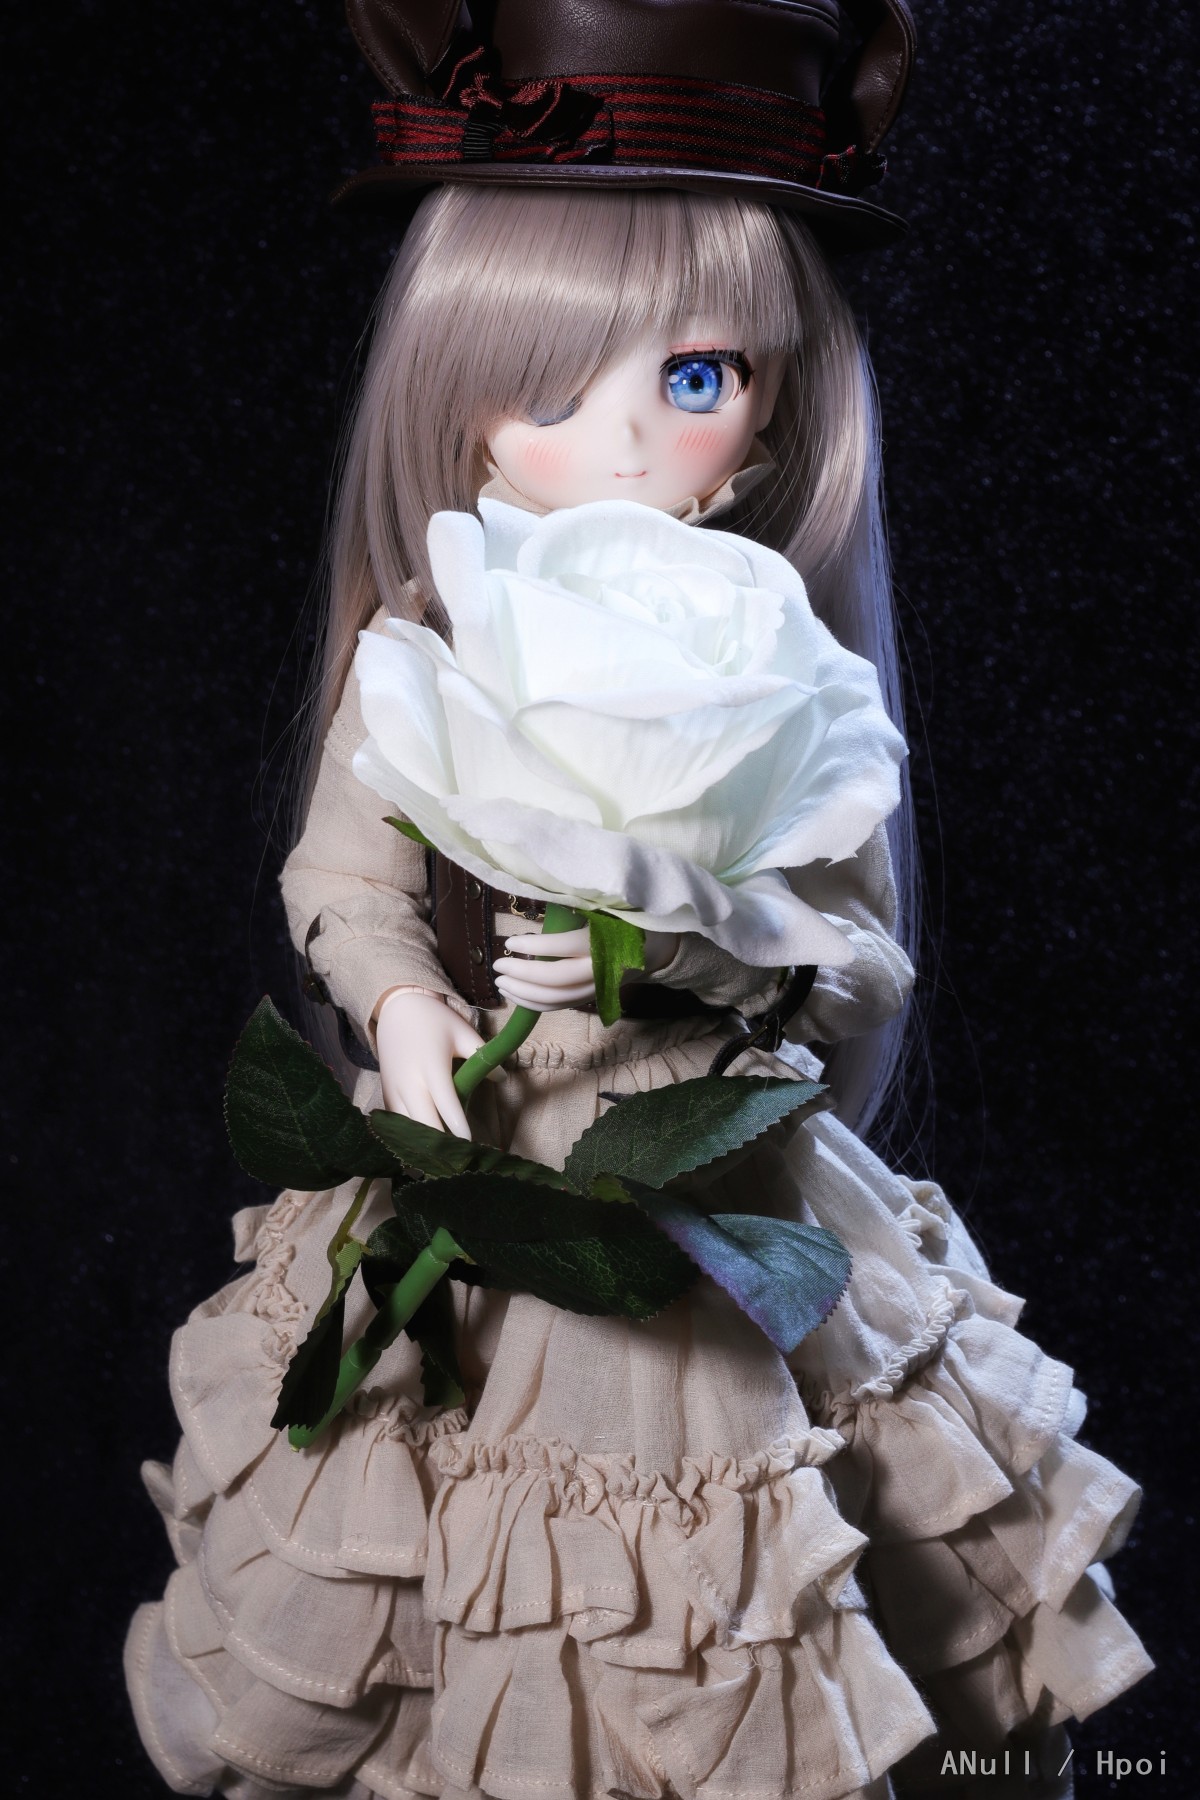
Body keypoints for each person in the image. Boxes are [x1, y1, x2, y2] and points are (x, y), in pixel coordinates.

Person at [124, 6, 1152, 1797]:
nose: (616, 441)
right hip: (481, 1158)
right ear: (457, 405)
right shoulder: (424, 653)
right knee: (416, 1563)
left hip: (707, 1185)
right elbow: (342, 877)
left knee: (748, 1587)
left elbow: (858, 963)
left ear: (764, 418)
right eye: (545, 387)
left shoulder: (777, 675)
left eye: (691, 377)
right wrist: (405, 1006)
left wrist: (688, 944)